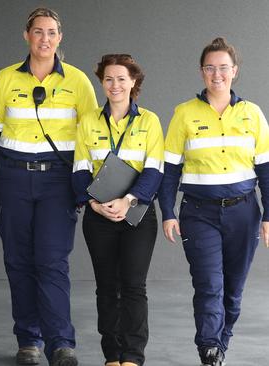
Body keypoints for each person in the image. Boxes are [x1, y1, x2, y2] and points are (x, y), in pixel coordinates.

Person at [0, 7, 97, 366]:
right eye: (38, 32)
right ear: (26, 35)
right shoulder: (5, 78)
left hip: (57, 183)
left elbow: (91, 135)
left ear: (59, 38)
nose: (44, 39)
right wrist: (20, 159)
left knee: (52, 261)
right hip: (14, 179)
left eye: (51, 32)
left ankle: (60, 342)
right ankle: (28, 342)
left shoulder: (78, 81)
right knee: (18, 261)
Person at [158, 37, 269, 366]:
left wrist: (268, 216)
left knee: (232, 292)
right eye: (210, 68)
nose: (216, 74)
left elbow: (266, 170)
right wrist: (167, 212)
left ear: (234, 71)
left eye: (223, 68)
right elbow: (169, 171)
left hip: (244, 213)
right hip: (198, 213)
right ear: (201, 72)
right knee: (209, 285)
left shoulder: (252, 114)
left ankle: (221, 341)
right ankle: (208, 347)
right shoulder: (184, 114)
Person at [72, 54, 163, 366]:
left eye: (121, 78)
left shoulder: (149, 121)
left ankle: (133, 357)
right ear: (102, 82)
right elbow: (80, 171)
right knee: (107, 288)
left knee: (134, 287)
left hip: (138, 216)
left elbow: (154, 170)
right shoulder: (88, 122)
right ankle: (112, 355)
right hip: (99, 217)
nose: (115, 85)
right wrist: (94, 204)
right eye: (108, 79)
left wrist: (128, 201)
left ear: (133, 81)